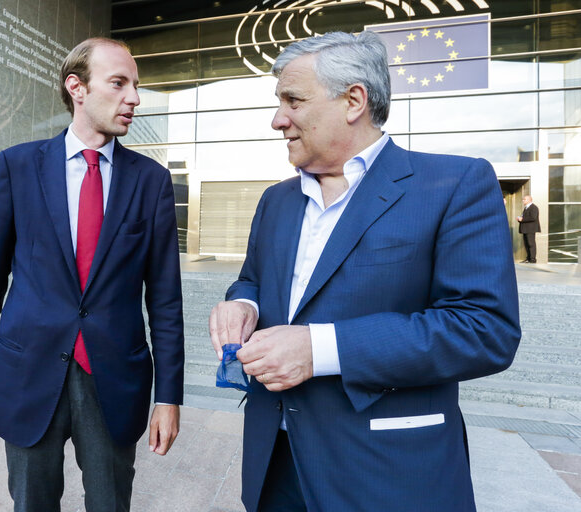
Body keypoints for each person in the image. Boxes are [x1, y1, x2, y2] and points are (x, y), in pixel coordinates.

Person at [209, 31, 520, 512]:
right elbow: (252, 278)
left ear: (354, 100)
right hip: (275, 465)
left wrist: (320, 348)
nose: (277, 120)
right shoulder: (276, 201)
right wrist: (242, 304)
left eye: (293, 100)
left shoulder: (455, 183)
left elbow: (485, 330)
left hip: (386, 473)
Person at [0, 37, 185, 512]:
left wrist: (169, 397)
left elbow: (165, 300)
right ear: (76, 87)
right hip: (27, 373)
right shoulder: (18, 166)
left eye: (135, 86)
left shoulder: (152, 180)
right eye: (118, 83)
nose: (134, 98)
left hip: (115, 379)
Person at [517, 194, 540, 263]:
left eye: (525, 199)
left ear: (530, 200)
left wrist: (522, 219)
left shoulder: (534, 207)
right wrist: (520, 219)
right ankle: (528, 258)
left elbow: (533, 217)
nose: (523, 201)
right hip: (525, 229)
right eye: (523, 199)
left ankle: (532, 259)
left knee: (531, 244)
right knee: (526, 244)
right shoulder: (526, 208)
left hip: (530, 229)